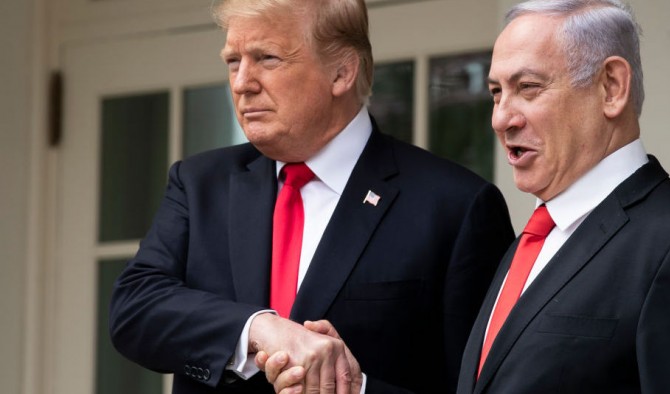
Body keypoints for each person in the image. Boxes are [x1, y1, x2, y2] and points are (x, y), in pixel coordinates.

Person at [108, 0, 515, 393]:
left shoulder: (455, 206)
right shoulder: (200, 182)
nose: (241, 83)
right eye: (233, 61)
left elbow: (479, 385)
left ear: (341, 72)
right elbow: (134, 308)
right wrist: (259, 329)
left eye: (267, 58)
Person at [453, 0, 670, 393]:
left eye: (527, 87)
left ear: (611, 87)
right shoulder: (533, 241)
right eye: (496, 92)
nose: (501, 118)